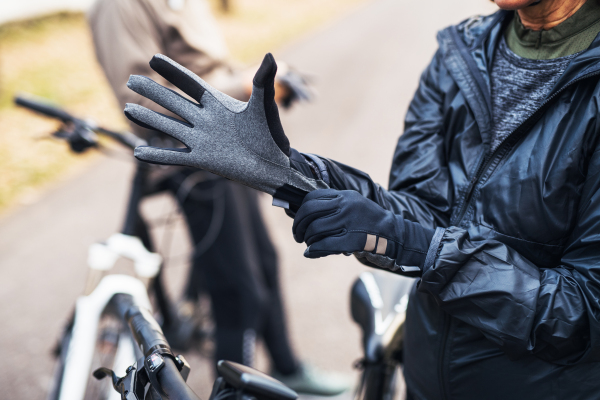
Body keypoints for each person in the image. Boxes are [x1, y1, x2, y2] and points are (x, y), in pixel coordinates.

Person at [124, 0, 600, 398]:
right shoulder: (462, 54)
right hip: (423, 378)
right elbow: (422, 213)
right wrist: (289, 173)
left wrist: (423, 248)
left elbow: (581, 314)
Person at [86, 0, 350, 395]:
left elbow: (204, 67)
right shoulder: (119, 6)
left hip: (225, 148)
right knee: (236, 289)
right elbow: (142, 100)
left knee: (264, 262)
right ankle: (233, 393)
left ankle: (287, 368)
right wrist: (240, 88)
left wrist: (251, 87)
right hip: (192, 158)